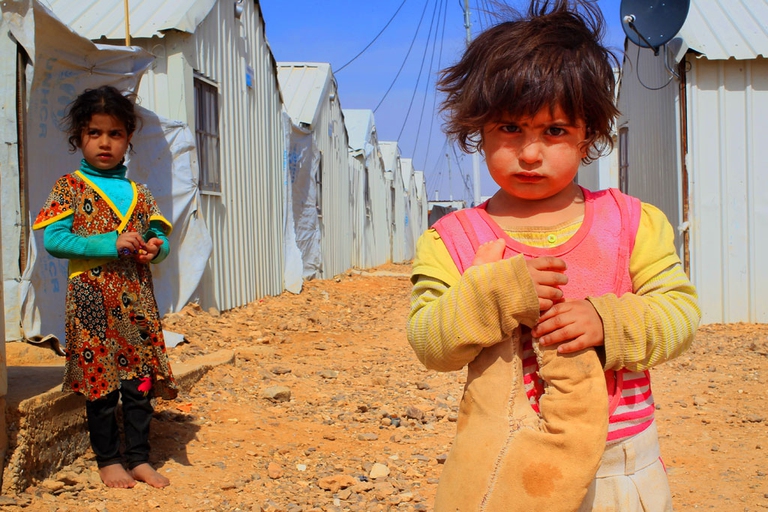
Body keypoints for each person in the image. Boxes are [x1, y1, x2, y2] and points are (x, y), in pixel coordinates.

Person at [407, 1, 701, 510]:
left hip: (619, 463)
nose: (529, 153)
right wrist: (492, 296)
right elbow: (430, 343)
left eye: (555, 131)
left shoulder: (631, 223)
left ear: (589, 133)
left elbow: (680, 314)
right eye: (510, 129)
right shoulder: (453, 238)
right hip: (506, 463)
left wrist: (609, 322)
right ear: (479, 129)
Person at [33, 85, 177, 489]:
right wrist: (108, 242)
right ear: (79, 136)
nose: (104, 142)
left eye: (114, 134)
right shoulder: (70, 187)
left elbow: (161, 239)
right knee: (100, 383)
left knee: (140, 383)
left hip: (136, 304)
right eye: (94, 133)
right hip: (91, 300)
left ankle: (139, 458)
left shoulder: (140, 193)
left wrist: (155, 248)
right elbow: (55, 240)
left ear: (128, 138)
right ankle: (108, 459)